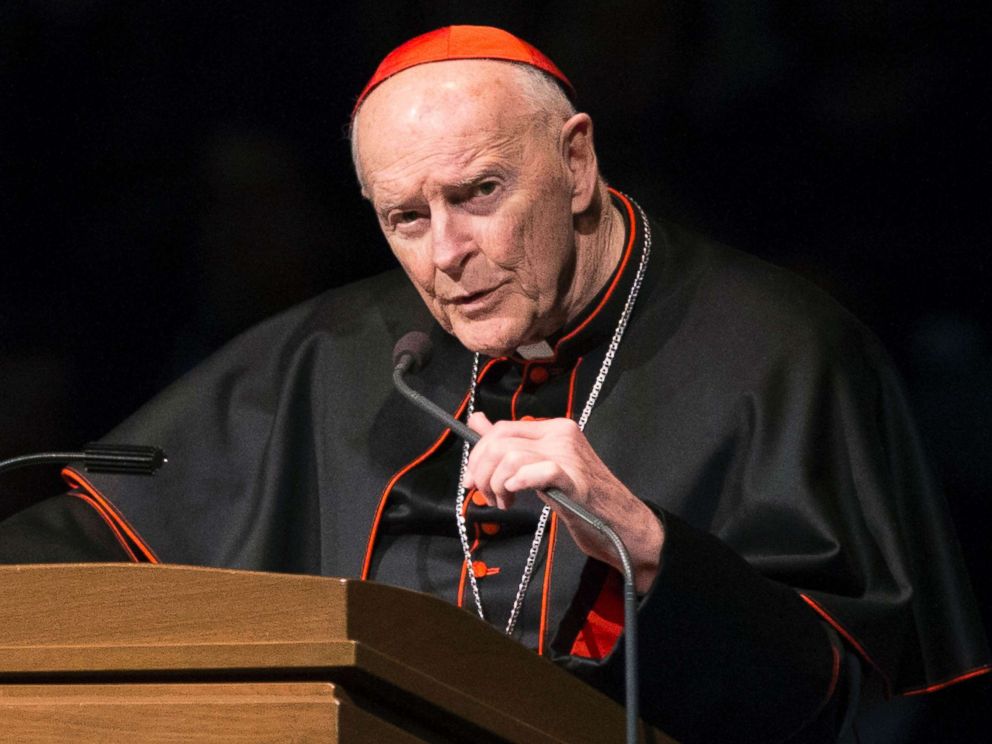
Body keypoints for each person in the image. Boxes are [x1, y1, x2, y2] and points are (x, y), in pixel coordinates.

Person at [1, 25, 988, 743]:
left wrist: (643, 544)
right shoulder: (333, 347)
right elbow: (82, 545)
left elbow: (844, 702)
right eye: (406, 218)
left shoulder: (781, 348)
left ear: (574, 160)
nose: (447, 256)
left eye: (479, 193)